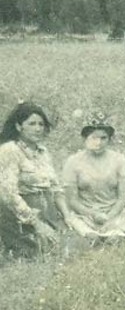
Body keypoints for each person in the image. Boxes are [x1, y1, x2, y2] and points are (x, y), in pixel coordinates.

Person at [0, 102, 74, 259]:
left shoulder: (43, 152)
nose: (38, 128)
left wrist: (67, 216)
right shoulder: (9, 150)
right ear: (19, 126)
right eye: (32, 124)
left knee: (78, 244)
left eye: (41, 124)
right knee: (43, 252)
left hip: (49, 213)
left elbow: (55, 189)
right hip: (21, 216)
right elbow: (8, 194)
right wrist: (37, 224)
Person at [62, 114, 125, 244]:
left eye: (103, 138)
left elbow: (124, 197)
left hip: (113, 213)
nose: (98, 143)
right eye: (94, 138)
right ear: (85, 139)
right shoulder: (73, 161)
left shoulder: (119, 160)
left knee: (113, 239)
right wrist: (93, 214)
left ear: (109, 139)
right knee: (91, 238)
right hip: (84, 214)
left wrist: (109, 217)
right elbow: (71, 200)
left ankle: (114, 234)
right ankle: (90, 235)